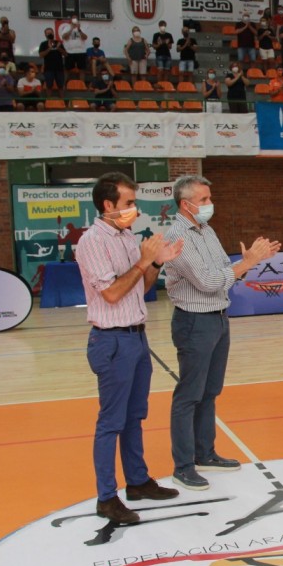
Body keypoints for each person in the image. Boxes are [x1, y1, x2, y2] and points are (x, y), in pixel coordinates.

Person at [74, 172, 184, 524]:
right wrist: (142, 261)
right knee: (111, 422)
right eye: (128, 204)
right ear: (108, 205)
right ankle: (107, 497)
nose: (133, 210)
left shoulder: (125, 237)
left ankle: (137, 481)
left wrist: (155, 261)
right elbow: (111, 293)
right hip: (112, 339)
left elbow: (141, 286)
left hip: (137, 337)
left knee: (135, 416)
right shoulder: (92, 241)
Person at [162, 175, 281, 491]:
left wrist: (246, 265)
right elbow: (209, 281)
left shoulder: (206, 230)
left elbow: (224, 275)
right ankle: (183, 466)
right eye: (203, 200)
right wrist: (247, 263)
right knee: (189, 394)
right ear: (185, 204)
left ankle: (205, 453)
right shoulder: (177, 237)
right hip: (194, 321)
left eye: (208, 198)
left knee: (210, 391)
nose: (208, 205)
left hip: (217, 316)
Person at [39, 27, 67, 98]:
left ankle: (62, 101)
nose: (49, 34)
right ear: (45, 35)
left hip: (59, 68)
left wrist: (59, 48)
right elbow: (41, 55)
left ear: (53, 33)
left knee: (61, 86)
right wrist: (49, 48)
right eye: (48, 33)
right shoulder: (43, 44)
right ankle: (49, 102)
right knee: (49, 86)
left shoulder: (58, 43)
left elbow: (65, 54)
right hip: (48, 69)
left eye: (51, 32)